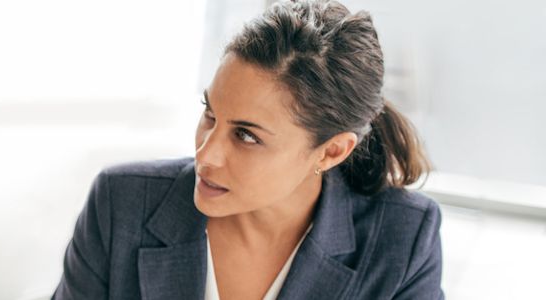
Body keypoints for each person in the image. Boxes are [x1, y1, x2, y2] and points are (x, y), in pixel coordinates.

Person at [53, 0, 442, 299]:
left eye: (247, 136)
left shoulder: (402, 239)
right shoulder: (123, 203)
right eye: (210, 114)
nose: (206, 155)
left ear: (332, 152)